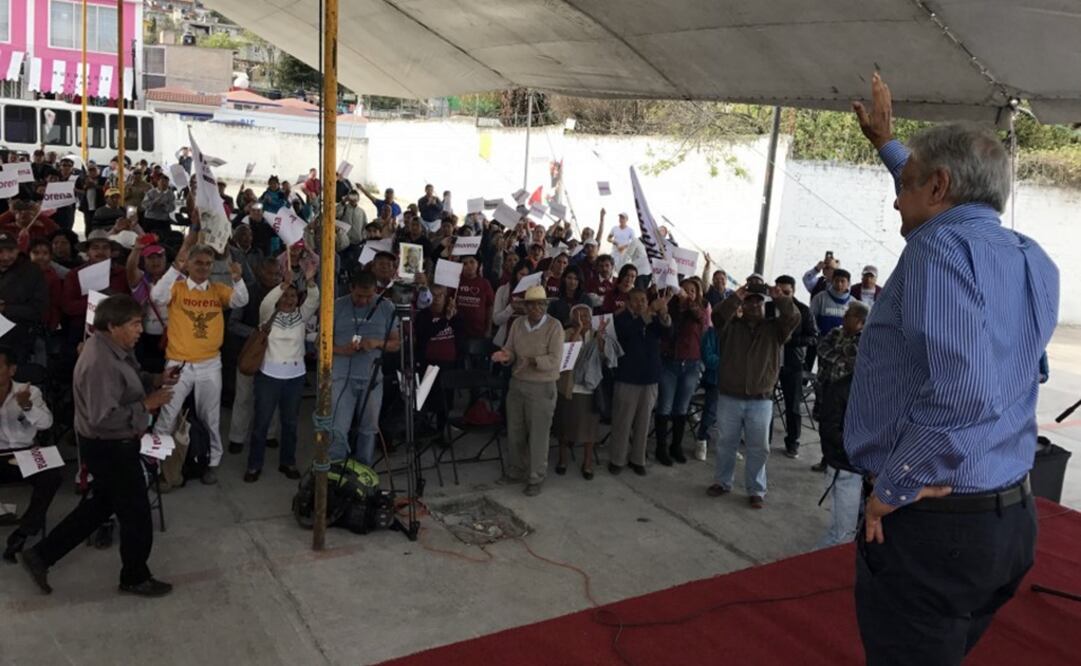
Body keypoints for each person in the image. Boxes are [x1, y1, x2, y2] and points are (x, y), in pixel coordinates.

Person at [846, 72, 1059, 663]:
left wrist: (895, 484)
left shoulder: (935, 251)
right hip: (1010, 519)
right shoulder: (1028, 256)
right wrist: (888, 146)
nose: (895, 196)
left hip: (933, 525)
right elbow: (948, 201)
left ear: (938, 185)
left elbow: (965, 394)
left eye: (906, 183)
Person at [20, 295, 178, 597]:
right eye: (134, 324)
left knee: (102, 505)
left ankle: (41, 555)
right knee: (136, 515)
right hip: (110, 445)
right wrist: (147, 404)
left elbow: (130, 379)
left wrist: (157, 378)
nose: (140, 330)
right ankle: (134, 576)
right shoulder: (99, 364)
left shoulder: (115, 347)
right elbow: (103, 418)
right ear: (112, 326)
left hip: (111, 444)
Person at [150, 243, 249, 485]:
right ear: (189, 264)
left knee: (210, 417)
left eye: (208, 263)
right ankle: (154, 463)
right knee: (167, 414)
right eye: (198, 263)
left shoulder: (218, 290)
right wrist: (175, 268)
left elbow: (240, 301)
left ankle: (211, 461)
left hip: (209, 364)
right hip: (178, 363)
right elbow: (156, 296)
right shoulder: (178, 288)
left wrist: (237, 278)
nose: (204, 267)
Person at [707, 283, 799, 508]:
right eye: (750, 300)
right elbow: (717, 317)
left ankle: (756, 489)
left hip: (760, 399)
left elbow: (794, 317)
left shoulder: (775, 329)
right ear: (743, 303)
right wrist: (736, 297)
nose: (754, 304)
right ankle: (722, 481)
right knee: (726, 442)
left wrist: (779, 297)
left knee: (759, 447)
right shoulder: (730, 326)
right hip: (730, 395)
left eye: (759, 300)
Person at [245, 262, 318, 482]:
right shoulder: (268, 315)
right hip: (268, 377)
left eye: (293, 297)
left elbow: (314, 299)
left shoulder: (301, 316)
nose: (289, 300)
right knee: (261, 423)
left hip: (294, 378)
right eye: (285, 296)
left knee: (290, 424)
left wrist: (310, 280)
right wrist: (284, 284)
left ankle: (288, 462)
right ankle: (254, 465)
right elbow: (268, 301)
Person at [491, 285, 563, 496]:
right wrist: (506, 357)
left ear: (545, 305)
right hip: (518, 384)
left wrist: (531, 360)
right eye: (532, 304)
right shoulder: (517, 324)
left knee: (538, 436)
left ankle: (535, 477)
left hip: (542, 387)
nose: (536, 308)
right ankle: (515, 470)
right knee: (515, 432)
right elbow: (510, 349)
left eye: (540, 304)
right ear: (525, 306)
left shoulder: (554, 326)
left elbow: (554, 359)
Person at [330, 270, 400, 464]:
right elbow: (321, 344)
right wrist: (342, 350)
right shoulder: (336, 306)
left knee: (369, 428)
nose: (363, 301)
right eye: (359, 295)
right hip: (341, 376)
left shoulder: (386, 307)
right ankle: (335, 469)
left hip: (372, 378)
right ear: (351, 288)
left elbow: (396, 344)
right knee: (338, 427)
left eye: (368, 296)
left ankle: (364, 469)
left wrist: (377, 343)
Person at [814, 302, 868, 547]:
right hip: (846, 463)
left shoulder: (867, 390)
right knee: (842, 534)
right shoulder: (846, 389)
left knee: (844, 530)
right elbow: (822, 350)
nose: (845, 317)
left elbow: (837, 358)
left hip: (854, 464)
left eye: (851, 315)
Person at [0, 347, 58, 562]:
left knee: (51, 475)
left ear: (11, 370)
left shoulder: (30, 392)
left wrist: (27, 407)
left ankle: (23, 532)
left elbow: (47, 424)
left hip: (24, 453)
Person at [610, 288, 672, 476]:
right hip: (628, 377)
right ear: (628, 302)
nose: (641, 303)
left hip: (650, 377)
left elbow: (668, 333)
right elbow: (626, 333)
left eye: (644, 300)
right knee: (623, 421)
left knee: (644, 422)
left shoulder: (652, 319)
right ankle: (617, 459)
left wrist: (664, 313)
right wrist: (648, 313)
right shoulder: (622, 319)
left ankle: (638, 459)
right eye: (636, 300)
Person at [555, 304, 619, 480]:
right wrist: (578, 332)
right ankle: (562, 460)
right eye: (579, 316)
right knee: (564, 426)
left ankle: (588, 462)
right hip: (569, 387)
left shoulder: (597, 335)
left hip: (590, 389)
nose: (583, 319)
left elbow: (607, 359)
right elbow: (565, 358)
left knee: (589, 430)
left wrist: (600, 339)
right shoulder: (565, 333)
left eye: (587, 316)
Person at [655, 277, 708, 466]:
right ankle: (661, 447)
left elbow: (701, 318)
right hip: (670, 362)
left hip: (691, 363)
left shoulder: (699, 310)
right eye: (683, 289)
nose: (686, 292)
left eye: (692, 290)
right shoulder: (671, 308)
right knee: (665, 406)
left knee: (682, 407)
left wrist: (689, 301)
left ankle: (675, 446)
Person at [775, 275, 817, 459]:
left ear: (793, 291)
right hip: (769, 363)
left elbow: (814, 337)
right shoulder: (768, 307)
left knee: (793, 405)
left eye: (787, 293)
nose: (783, 296)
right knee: (764, 402)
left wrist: (792, 341)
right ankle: (762, 438)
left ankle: (793, 442)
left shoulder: (803, 310)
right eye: (779, 292)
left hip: (793, 363)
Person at [126, 240, 171, 373]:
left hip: (170, 337)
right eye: (150, 258)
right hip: (143, 337)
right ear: (143, 261)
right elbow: (130, 268)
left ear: (165, 259)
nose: (155, 261)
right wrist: (136, 249)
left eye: (159, 257)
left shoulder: (176, 279)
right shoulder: (139, 280)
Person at [0, 233, 47, 356]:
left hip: (19, 338)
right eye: (0, 251)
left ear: (17, 250)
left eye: (10, 250)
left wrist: (5, 309)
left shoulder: (32, 272)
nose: (5, 257)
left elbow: (39, 310)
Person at [809, 268, 852, 336]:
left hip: (844, 343)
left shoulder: (853, 303)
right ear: (832, 281)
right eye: (836, 281)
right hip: (822, 341)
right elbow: (811, 318)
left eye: (842, 281)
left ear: (848, 283)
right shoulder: (820, 298)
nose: (839, 284)